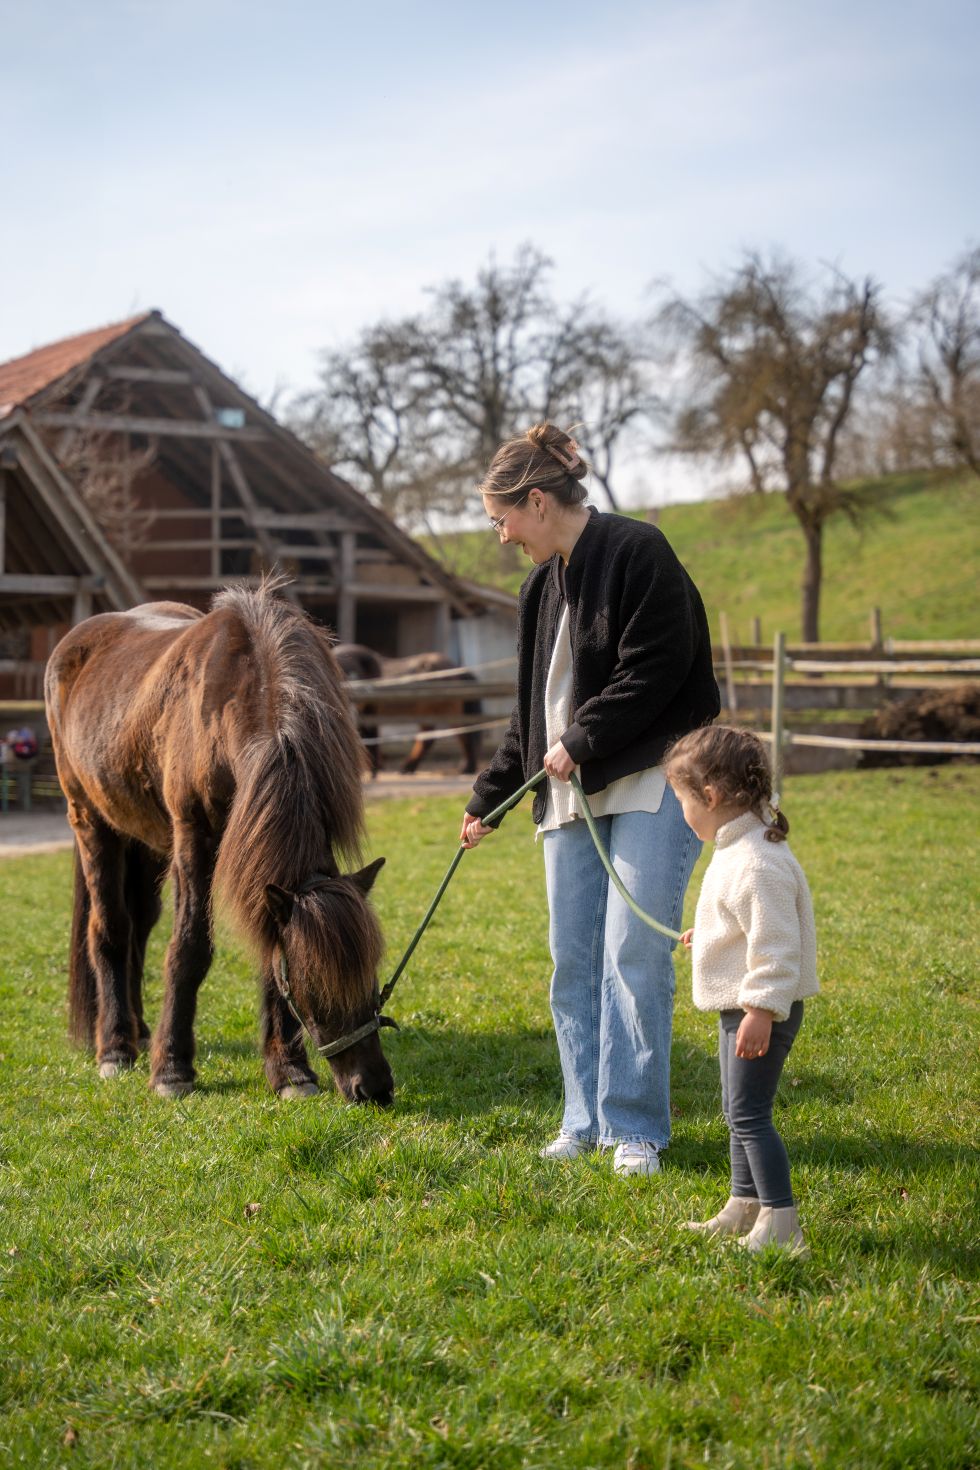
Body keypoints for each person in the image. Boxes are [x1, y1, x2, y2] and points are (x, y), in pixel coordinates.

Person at [461, 423, 720, 1175]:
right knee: (573, 962)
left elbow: (660, 666)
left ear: (536, 501)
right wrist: (490, 797)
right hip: (569, 797)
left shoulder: (641, 551)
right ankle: (582, 1121)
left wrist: (584, 738)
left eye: (501, 519)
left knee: (631, 953)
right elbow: (530, 714)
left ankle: (634, 1127)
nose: (502, 535)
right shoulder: (540, 587)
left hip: (649, 782)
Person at [664, 724, 819, 1253]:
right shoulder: (737, 846)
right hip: (744, 1005)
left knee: (750, 1114)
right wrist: (706, 934)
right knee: (735, 1110)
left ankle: (781, 1221)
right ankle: (743, 1204)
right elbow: (744, 924)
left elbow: (776, 947)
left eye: (683, 801)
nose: (683, 814)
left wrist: (759, 1010)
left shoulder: (756, 861)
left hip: (759, 1010)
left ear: (710, 797)